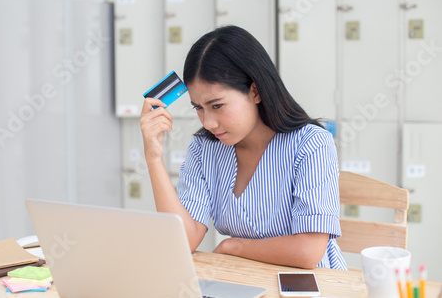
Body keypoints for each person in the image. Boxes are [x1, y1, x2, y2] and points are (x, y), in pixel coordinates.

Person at [140, 25, 346, 270]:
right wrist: (153, 158)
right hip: (245, 281)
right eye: (198, 108)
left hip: (308, 285)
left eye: (217, 106)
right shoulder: (204, 149)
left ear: (255, 91)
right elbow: (184, 239)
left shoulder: (311, 144)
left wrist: (233, 246)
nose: (208, 122)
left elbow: (308, 251)